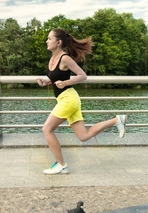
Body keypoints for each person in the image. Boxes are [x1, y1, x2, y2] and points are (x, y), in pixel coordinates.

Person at [36, 28, 127, 175]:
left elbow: (82, 76)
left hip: (68, 99)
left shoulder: (65, 58)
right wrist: (45, 82)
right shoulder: (52, 58)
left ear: (58, 42)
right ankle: (116, 120)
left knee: (47, 129)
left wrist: (65, 83)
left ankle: (61, 164)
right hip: (66, 99)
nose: (46, 41)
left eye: (49, 38)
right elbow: (56, 78)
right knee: (83, 136)